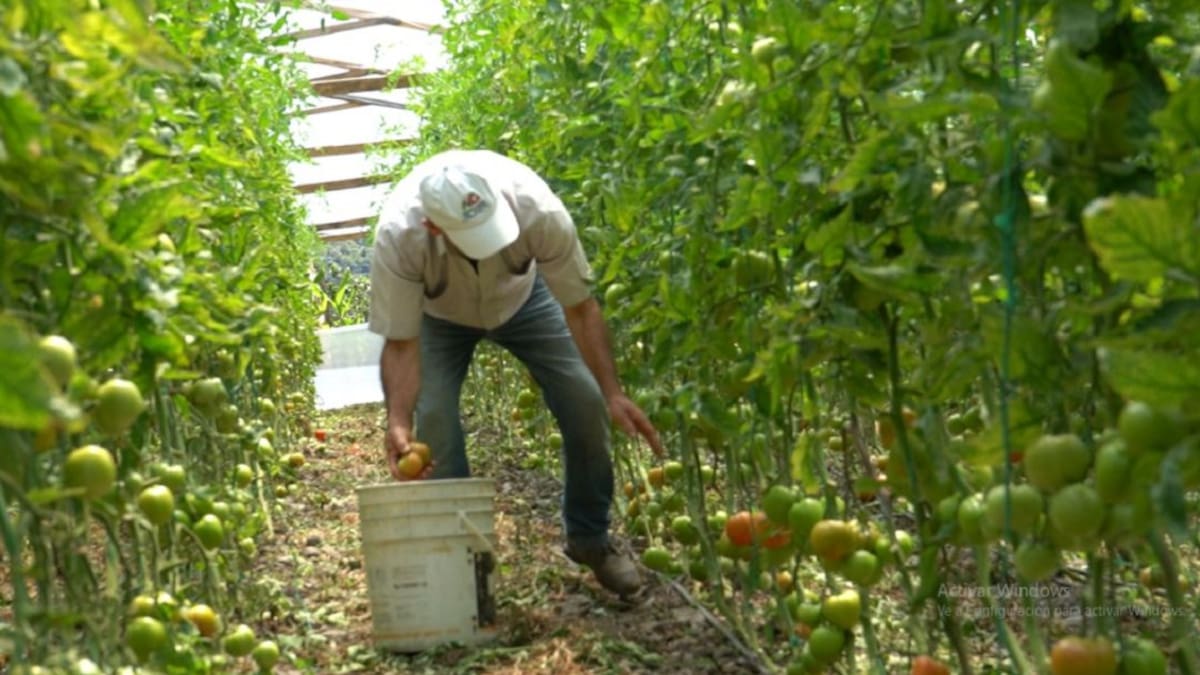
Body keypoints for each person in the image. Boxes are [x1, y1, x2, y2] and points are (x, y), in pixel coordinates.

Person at [367, 148, 664, 598]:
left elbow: (581, 309)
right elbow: (403, 343)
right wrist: (398, 422)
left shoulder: (538, 209)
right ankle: (465, 568)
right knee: (435, 422)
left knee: (584, 401)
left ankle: (591, 539)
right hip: (439, 317)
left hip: (524, 300)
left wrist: (612, 391)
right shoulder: (399, 235)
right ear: (433, 225)